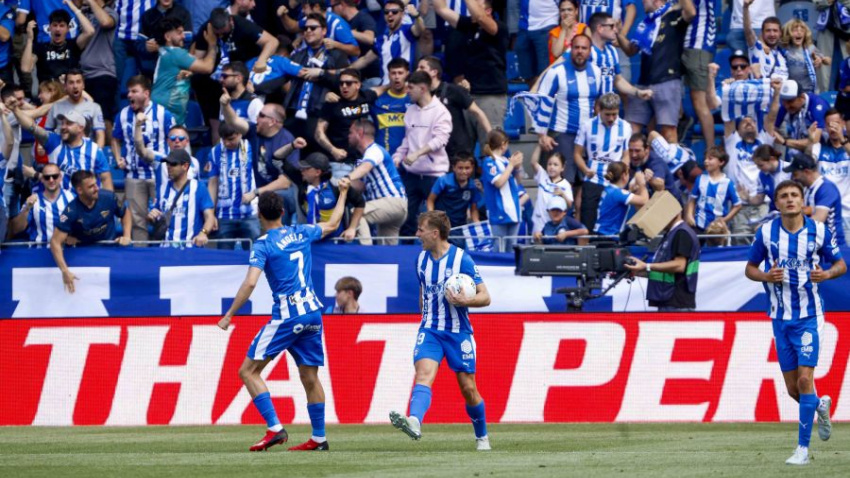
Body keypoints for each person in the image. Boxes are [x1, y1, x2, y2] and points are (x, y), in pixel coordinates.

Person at [217, 183, 351, 452]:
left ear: (259, 215)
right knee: (310, 376)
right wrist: (344, 193)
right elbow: (333, 224)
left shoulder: (263, 244)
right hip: (313, 313)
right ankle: (319, 438)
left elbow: (250, 282)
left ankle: (275, 428)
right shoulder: (301, 231)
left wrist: (229, 314)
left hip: (289, 315)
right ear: (282, 211)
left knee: (248, 371)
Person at [744, 179, 845, 465]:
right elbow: (750, 268)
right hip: (780, 318)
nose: (789, 199)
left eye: (794, 195)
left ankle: (802, 450)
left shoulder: (819, 231)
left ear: (803, 201)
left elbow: (840, 264)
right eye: (784, 196)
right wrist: (766, 276)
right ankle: (819, 406)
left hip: (810, 316)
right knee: (793, 389)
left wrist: (827, 274)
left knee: (804, 380)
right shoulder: (766, 232)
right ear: (776, 203)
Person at [389, 210, 492, 451]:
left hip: (458, 332)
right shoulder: (421, 260)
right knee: (423, 375)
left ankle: (482, 437)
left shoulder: (462, 259)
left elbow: (486, 297)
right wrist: (426, 318)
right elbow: (423, 294)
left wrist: (466, 300)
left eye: (421, 230)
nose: (417, 234)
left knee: (468, 388)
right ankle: (415, 421)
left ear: (435, 233)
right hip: (430, 330)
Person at [617, 0, 696, 144]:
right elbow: (630, 51)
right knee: (630, 130)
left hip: (667, 80)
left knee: (668, 131)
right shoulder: (646, 23)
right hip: (643, 83)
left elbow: (691, 12)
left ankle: (673, 159)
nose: (642, 2)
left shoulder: (674, 14)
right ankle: (628, 159)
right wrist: (619, 35)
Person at [112, 75, 177, 242]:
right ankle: (140, 253)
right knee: (137, 222)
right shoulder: (123, 115)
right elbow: (115, 139)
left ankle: (163, 252)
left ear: (146, 93)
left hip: (159, 176)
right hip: (133, 176)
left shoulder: (163, 114)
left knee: (163, 218)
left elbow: (175, 139)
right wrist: (118, 158)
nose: (129, 95)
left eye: (134, 91)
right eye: (129, 91)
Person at [432, 0, 509, 135]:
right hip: (467, 96)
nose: (470, 6)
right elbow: (441, 9)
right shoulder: (468, 25)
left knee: (490, 143)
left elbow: (480, 17)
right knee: (463, 146)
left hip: (490, 96)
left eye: (477, 4)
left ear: (488, 11)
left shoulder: (499, 27)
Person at [536, 33, 601, 186]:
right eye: (576, 47)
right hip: (561, 134)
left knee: (584, 184)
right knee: (562, 182)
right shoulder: (556, 72)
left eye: (584, 48)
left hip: (586, 136)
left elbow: (598, 103)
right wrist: (542, 135)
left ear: (590, 51)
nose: (580, 51)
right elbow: (541, 102)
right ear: (570, 49)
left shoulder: (596, 72)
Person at [51, 170, 132, 293]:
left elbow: (125, 213)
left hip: (110, 252)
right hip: (84, 255)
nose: (97, 188)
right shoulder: (71, 211)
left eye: (96, 184)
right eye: (91, 186)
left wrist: (127, 235)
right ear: (80, 190)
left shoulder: (109, 197)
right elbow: (55, 242)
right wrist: (64, 271)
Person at [393, 70, 451, 239]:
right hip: (411, 175)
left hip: (434, 176)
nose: (407, 91)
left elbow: (440, 140)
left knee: (436, 223)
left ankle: (438, 252)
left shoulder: (441, 111)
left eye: (411, 87)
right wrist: (398, 156)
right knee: (406, 220)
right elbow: (408, 139)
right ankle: (405, 252)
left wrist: (417, 154)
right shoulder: (410, 110)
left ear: (423, 88)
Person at [15, 108, 113, 192]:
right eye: (62, 123)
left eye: (69, 123)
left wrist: (108, 204)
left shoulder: (94, 150)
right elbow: (32, 127)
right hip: (60, 202)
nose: (63, 127)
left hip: (86, 203)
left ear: (80, 128)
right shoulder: (54, 141)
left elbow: (106, 179)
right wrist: (15, 109)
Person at [574, 92, 632, 232]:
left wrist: (623, 172)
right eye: (607, 114)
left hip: (614, 182)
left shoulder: (625, 127)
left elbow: (626, 155)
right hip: (593, 180)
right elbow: (577, 154)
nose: (611, 118)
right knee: (588, 222)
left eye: (614, 114)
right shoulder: (587, 126)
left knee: (611, 221)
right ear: (599, 109)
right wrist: (585, 170)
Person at [624, 208, 700, 311]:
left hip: (677, 301)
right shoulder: (671, 233)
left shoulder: (682, 233)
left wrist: (646, 266)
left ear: (675, 213)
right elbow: (664, 271)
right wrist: (638, 271)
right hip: (668, 298)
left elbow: (679, 265)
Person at [415, 56, 492, 158]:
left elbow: (478, 112)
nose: (417, 70)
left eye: (422, 67)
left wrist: (491, 135)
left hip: (458, 151)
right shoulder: (421, 95)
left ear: (434, 72)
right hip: (435, 150)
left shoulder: (453, 90)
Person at [347, 118, 407, 245]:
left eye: (351, 132)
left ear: (360, 133)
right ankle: (383, 256)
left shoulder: (374, 150)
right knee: (386, 248)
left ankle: (367, 252)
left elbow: (365, 167)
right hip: (395, 205)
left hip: (392, 201)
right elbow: (360, 186)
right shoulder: (366, 156)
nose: (348, 136)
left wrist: (347, 178)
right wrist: (336, 183)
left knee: (357, 214)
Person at [151, 19, 217, 125]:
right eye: (179, 33)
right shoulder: (176, 54)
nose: (184, 36)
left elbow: (191, 59)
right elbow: (207, 67)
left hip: (164, 108)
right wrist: (212, 44)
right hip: (166, 111)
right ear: (167, 37)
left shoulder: (166, 51)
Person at [315, 68, 377, 178]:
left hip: (364, 161)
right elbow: (318, 133)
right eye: (341, 83)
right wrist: (333, 150)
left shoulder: (366, 97)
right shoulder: (332, 103)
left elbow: (384, 88)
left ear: (358, 85)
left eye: (348, 83)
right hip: (341, 164)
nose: (344, 86)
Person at [147, 149, 215, 247]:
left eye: (173, 164)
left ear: (185, 166)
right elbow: (155, 215)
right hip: (166, 249)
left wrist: (203, 233)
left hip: (191, 248)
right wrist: (151, 216)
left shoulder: (198, 187)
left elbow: (210, 216)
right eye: (167, 164)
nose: (169, 167)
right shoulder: (162, 189)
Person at [208, 122, 260, 248]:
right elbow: (213, 183)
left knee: (255, 255)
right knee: (225, 257)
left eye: (231, 139)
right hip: (224, 215)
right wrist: (211, 214)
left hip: (250, 213)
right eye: (224, 139)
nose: (227, 143)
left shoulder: (251, 147)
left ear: (240, 134)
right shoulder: (215, 152)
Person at [350, 0, 423, 85]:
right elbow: (365, 60)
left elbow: (420, 29)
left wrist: (417, 16)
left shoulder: (407, 31)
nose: (390, 14)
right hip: (384, 86)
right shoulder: (382, 39)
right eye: (386, 12)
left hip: (403, 86)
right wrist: (345, 70)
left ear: (402, 14)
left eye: (394, 12)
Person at [296, 151, 364, 241]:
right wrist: (292, 146)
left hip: (335, 240)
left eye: (306, 168)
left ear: (317, 172)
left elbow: (360, 202)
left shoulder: (337, 186)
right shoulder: (302, 183)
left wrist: (352, 228)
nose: (302, 171)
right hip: (311, 240)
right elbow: (279, 160)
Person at [784, 154, 846, 247]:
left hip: (833, 247)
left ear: (806, 172)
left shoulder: (826, 188)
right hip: (818, 245)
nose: (793, 178)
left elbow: (818, 220)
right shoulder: (808, 188)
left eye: (795, 174)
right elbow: (805, 211)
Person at [22, 9, 94, 84]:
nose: (57, 29)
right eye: (55, 25)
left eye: (62, 26)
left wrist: (74, 9)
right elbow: (25, 68)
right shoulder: (41, 48)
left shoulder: (74, 45)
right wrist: (29, 40)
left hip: (69, 88)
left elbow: (90, 31)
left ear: (68, 28)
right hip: (48, 88)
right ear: (49, 27)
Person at [9, 163, 75, 243]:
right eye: (47, 177)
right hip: (39, 249)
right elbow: (16, 229)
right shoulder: (33, 200)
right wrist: (27, 209)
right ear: (42, 179)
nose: (51, 180)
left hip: (66, 248)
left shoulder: (72, 198)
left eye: (55, 176)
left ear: (60, 177)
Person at [685, 146, 743, 234]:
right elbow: (692, 200)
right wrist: (689, 215)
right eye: (705, 159)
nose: (706, 161)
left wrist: (725, 220)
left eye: (710, 159)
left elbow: (738, 205)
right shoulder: (700, 179)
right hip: (699, 225)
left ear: (721, 162)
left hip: (717, 228)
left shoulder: (727, 183)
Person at [481, 129, 522, 252]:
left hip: (513, 210)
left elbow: (518, 182)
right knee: (498, 248)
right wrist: (511, 165)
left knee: (512, 249)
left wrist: (517, 167)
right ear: (503, 144)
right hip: (499, 211)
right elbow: (498, 182)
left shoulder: (505, 160)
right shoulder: (489, 161)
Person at [810, 108, 850, 234]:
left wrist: (842, 138)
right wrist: (810, 141)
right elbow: (808, 164)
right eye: (829, 125)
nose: (832, 128)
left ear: (843, 124)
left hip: (847, 214)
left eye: (836, 123)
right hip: (824, 212)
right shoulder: (819, 148)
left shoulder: (848, 147)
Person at [45, 69, 106, 147]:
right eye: (71, 82)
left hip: (85, 152)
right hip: (62, 152)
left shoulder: (94, 108)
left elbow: (100, 135)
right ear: (65, 86)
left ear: (83, 85)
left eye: (78, 82)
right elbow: (47, 134)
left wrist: (96, 152)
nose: (75, 86)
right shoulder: (55, 107)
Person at [774, 80, 829, 157]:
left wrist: (785, 141)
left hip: (822, 152)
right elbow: (770, 130)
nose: (786, 106)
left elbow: (814, 142)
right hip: (797, 147)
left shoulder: (817, 107)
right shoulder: (785, 105)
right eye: (784, 101)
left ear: (802, 97)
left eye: (790, 101)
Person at [427, 152, 481, 229]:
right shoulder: (443, 181)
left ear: (472, 168)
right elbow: (430, 200)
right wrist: (432, 218)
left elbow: (474, 208)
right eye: (460, 168)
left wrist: (476, 222)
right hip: (441, 224)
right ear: (454, 167)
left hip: (460, 225)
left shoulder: (472, 186)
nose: (464, 171)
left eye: (467, 168)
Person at [594, 162, 648, 236]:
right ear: (624, 176)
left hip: (602, 233)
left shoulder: (610, 189)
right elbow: (644, 201)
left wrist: (631, 190)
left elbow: (622, 197)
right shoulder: (618, 193)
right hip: (609, 235)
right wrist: (642, 183)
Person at [372, 57, 411, 156]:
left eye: (400, 73)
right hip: (384, 157)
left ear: (407, 74)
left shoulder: (414, 100)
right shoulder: (378, 101)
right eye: (393, 73)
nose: (396, 77)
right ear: (388, 75)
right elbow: (360, 98)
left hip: (409, 158)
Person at [781, 19, 827, 95]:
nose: (799, 32)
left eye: (802, 31)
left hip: (809, 91)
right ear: (788, 33)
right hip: (791, 90)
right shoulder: (783, 48)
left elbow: (828, 61)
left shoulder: (810, 48)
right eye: (795, 30)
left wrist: (821, 59)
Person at [531, 151, 572, 233]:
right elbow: (533, 163)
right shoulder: (542, 176)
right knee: (537, 240)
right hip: (539, 221)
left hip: (554, 224)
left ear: (562, 168)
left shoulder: (565, 185)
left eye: (555, 165)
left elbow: (569, 205)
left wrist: (562, 194)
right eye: (549, 164)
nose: (552, 167)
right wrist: (540, 146)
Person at [743, 1, 786, 80]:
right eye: (768, 30)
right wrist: (746, 8)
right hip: (762, 87)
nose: (772, 34)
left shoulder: (783, 54)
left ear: (780, 33)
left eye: (775, 31)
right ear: (762, 33)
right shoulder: (757, 49)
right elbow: (748, 31)